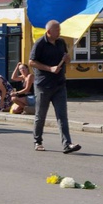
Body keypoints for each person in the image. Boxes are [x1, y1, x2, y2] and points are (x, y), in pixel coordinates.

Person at [29, 20, 80, 154]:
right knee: (41, 115)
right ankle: (38, 141)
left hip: (59, 85)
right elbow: (31, 62)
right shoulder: (40, 43)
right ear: (49, 32)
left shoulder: (61, 42)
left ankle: (67, 144)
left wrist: (67, 59)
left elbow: (67, 60)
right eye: (57, 30)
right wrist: (49, 68)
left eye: (59, 29)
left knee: (62, 116)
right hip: (43, 85)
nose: (59, 32)